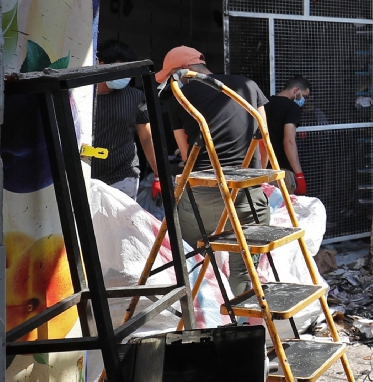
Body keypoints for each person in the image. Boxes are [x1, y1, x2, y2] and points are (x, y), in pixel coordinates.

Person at [157, 46, 269, 298]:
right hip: (246, 196)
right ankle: (248, 323)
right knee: (244, 270)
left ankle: (199, 311)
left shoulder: (181, 97)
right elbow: (264, 139)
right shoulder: (247, 85)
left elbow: (187, 155)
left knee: (185, 255)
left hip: (202, 198)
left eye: (171, 75)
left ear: (181, 71)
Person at [91, 41, 158, 200]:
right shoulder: (80, 96)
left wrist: (158, 174)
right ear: (101, 65)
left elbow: (147, 137)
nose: (124, 77)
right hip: (84, 175)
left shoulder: (135, 97)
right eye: (120, 70)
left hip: (122, 176)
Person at [264, 76, 310, 195]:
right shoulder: (292, 107)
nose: (303, 100)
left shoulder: (264, 103)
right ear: (296, 90)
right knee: (284, 210)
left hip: (261, 168)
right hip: (281, 170)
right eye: (304, 96)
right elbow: (289, 141)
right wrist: (299, 174)